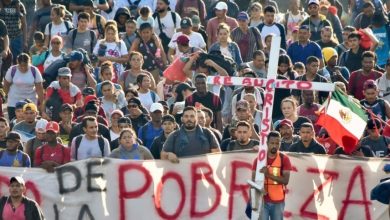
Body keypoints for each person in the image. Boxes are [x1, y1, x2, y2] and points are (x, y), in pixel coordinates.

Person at [251, 131, 291, 220]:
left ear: (280, 143)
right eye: (272, 143)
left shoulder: (284, 159)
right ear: (267, 143)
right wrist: (260, 189)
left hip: (278, 201)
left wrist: (268, 175)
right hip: (262, 201)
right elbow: (253, 181)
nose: (274, 146)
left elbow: (285, 181)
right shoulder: (258, 160)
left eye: (277, 143)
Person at [4, 54, 44, 121]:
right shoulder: (12, 70)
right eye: (21, 65)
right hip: (14, 102)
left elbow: (39, 89)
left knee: (30, 123)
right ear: (17, 63)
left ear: (29, 63)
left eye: (25, 65)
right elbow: (6, 84)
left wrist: (41, 103)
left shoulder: (34, 70)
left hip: (30, 102)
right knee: (13, 123)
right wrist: (7, 96)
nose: (23, 68)